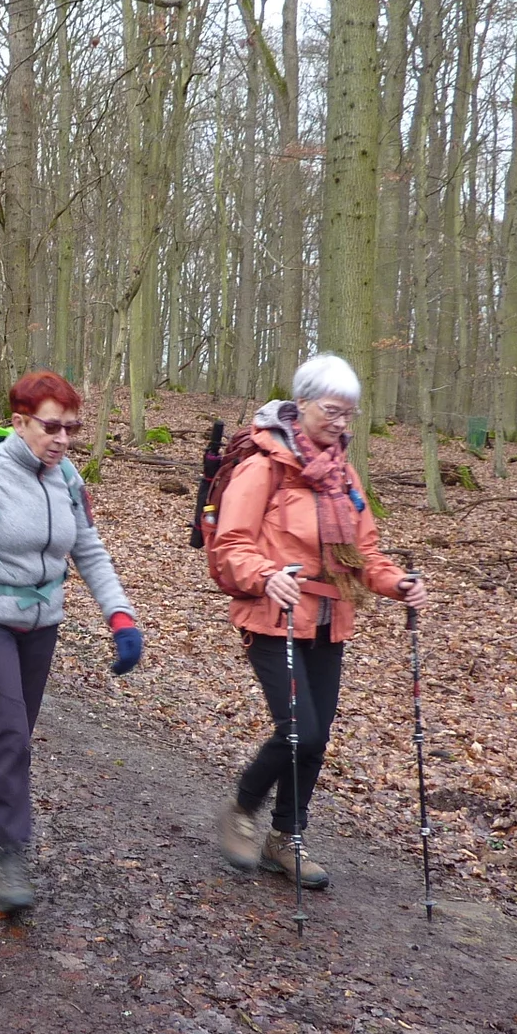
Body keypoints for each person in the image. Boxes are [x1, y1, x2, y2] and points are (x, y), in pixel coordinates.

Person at [211, 352, 430, 889]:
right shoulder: (262, 465)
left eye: (349, 415)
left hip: (331, 620)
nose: (341, 423)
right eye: (333, 411)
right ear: (302, 404)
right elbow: (231, 543)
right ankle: (241, 810)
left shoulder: (342, 475)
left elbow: (366, 554)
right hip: (272, 617)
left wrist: (397, 582)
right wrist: (266, 575)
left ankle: (286, 838)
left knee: (315, 739)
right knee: (298, 732)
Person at [0, 371, 141, 915]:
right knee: (12, 731)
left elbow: (88, 550)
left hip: (42, 621)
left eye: (72, 428)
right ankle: (7, 847)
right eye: (52, 427)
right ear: (20, 422)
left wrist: (120, 616)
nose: (64, 439)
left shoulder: (66, 477)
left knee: (14, 733)